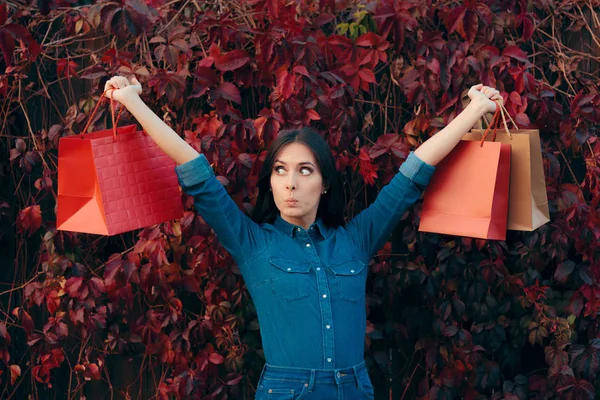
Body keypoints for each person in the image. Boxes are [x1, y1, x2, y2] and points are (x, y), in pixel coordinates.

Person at [103, 75, 502, 399]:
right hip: (287, 392)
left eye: (304, 171)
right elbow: (196, 172)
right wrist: (135, 102)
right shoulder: (252, 243)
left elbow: (412, 175)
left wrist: (473, 111)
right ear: (271, 182)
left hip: (355, 391)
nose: (290, 184)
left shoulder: (356, 240)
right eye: (280, 171)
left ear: (324, 183)